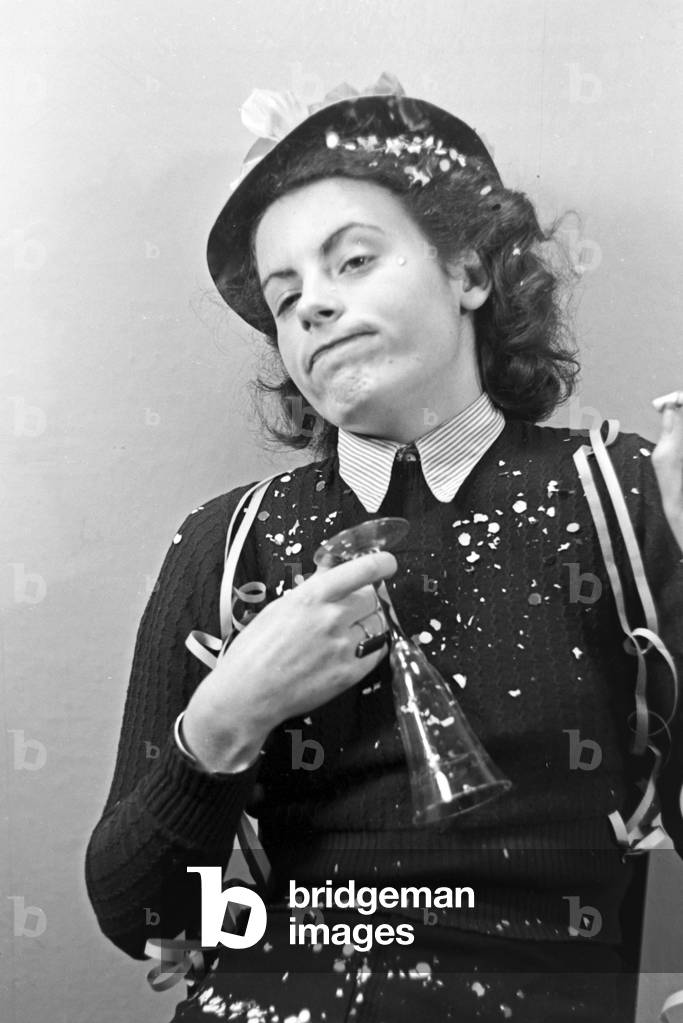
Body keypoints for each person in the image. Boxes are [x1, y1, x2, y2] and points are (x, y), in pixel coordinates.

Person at [85, 73, 683, 1023]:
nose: (313, 307)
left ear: (469, 273)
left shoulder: (625, 493)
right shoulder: (224, 543)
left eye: (352, 261)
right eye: (285, 298)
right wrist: (229, 717)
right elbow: (138, 910)